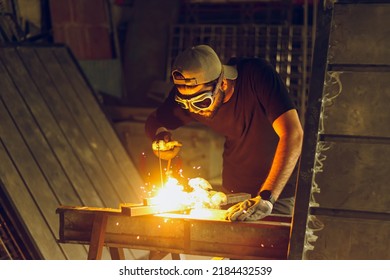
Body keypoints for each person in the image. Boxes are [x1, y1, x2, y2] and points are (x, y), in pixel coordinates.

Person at [145, 44, 303, 221]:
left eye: (201, 102)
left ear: (224, 83)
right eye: (186, 104)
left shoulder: (257, 76)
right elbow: (154, 121)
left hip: (277, 193)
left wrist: (267, 197)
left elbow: (293, 134)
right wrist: (160, 136)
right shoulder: (191, 92)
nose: (194, 110)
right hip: (233, 193)